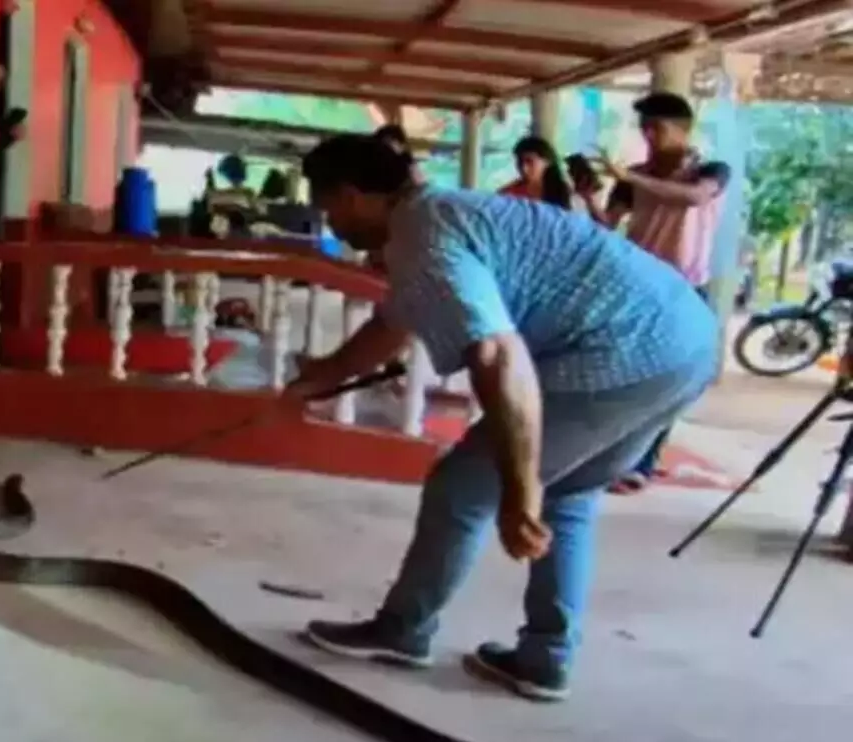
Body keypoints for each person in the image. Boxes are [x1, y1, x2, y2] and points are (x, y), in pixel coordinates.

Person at [288, 134, 717, 701]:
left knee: (464, 484)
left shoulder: (424, 236)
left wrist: (518, 491)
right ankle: (544, 658)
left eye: (330, 210)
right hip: (685, 342)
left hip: (622, 351)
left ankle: (404, 628)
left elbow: (496, 355)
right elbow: (395, 321)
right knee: (568, 493)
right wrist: (319, 377)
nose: (333, 227)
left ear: (351, 194)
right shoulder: (440, 214)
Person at [578, 92, 731, 494]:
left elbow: (694, 198)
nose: (648, 134)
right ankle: (608, 458)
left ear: (684, 129)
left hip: (685, 290)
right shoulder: (636, 175)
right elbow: (607, 227)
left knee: (668, 383)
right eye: (644, 127)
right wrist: (591, 197)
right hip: (638, 287)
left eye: (657, 127)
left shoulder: (711, 171)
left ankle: (639, 464)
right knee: (616, 372)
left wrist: (631, 179)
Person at [499, 136, 573, 210]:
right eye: (520, 161)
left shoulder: (564, 193)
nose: (524, 167)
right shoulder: (508, 194)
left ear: (547, 162)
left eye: (529, 161)